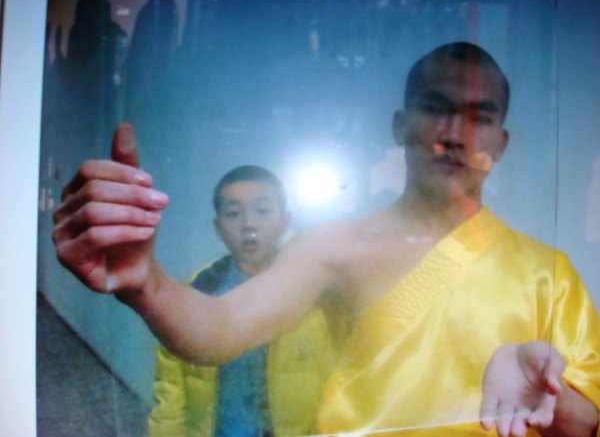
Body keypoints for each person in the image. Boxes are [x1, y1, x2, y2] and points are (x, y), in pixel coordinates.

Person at [52, 42, 600, 436]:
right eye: (435, 108)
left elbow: (587, 420)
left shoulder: (545, 272)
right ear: (400, 125)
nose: (454, 135)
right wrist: (145, 283)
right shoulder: (335, 248)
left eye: (479, 117)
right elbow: (218, 329)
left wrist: (544, 395)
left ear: (500, 143)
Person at [147, 165, 332, 437]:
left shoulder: (314, 292)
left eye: (262, 210)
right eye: (233, 213)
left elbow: (336, 383)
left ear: (285, 220)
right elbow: (170, 390)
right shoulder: (194, 293)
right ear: (218, 227)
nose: (248, 224)